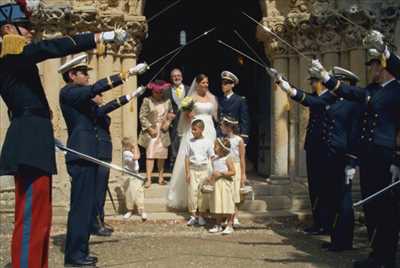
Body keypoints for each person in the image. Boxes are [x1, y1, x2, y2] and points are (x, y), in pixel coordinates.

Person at [0, 2, 128, 267]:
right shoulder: (11, 55)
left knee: (40, 215)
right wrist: (99, 36)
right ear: (8, 28)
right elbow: (53, 47)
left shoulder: (17, 59)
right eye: (25, 27)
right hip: (28, 139)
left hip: (34, 138)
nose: (29, 33)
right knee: (31, 215)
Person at [309, 32, 400, 267]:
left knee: (386, 208)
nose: (370, 69)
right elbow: (348, 92)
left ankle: (387, 257)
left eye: (373, 64)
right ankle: (377, 253)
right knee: (371, 205)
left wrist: (397, 160)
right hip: (369, 155)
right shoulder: (371, 90)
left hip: (385, 154)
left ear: (383, 66)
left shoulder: (397, 90)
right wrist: (326, 77)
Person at [59, 54, 147, 267]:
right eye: (84, 73)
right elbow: (94, 89)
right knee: (80, 206)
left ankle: (80, 250)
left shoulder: (82, 101)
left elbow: (103, 109)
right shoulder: (69, 92)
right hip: (81, 154)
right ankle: (74, 255)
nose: (88, 77)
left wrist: (130, 96)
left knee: (86, 206)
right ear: (72, 75)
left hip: (88, 155)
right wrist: (128, 73)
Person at [277, 67, 362, 252]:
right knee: (332, 198)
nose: (330, 85)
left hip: (343, 157)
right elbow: (310, 100)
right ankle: (335, 238)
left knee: (343, 201)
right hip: (329, 156)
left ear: (345, 84)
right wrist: (287, 88)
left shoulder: (352, 102)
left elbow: (355, 133)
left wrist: (352, 161)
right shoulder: (330, 99)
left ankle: (344, 241)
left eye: (334, 81)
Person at [91, 89, 143, 236]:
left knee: (101, 190)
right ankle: (95, 223)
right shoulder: (91, 110)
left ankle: (99, 220)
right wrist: (129, 95)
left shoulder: (97, 110)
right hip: (98, 153)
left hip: (104, 152)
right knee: (97, 191)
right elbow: (108, 107)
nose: (101, 96)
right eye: (99, 94)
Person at [168, 74, 219, 209]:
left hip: (209, 128)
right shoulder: (191, 98)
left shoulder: (212, 97)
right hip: (196, 128)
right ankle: (191, 199)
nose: (206, 85)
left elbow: (214, 115)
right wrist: (191, 117)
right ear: (197, 84)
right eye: (203, 82)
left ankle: (208, 199)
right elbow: (186, 115)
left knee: (210, 158)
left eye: (207, 82)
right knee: (193, 156)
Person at [138, 80, 175, 188]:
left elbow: (170, 114)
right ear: (153, 92)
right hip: (152, 132)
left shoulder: (167, 101)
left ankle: (161, 177)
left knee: (162, 156)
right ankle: (148, 179)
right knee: (150, 155)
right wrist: (149, 128)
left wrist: (168, 122)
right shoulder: (147, 100)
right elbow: (142, 116)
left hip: (163, 131)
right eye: (156, 92)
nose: (158, 94)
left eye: (160, 92)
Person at [185, 119, 215, 226]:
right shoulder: (190, 142)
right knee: (192, 192)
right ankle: (193, 215)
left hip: (204, 169)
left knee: (203, 194)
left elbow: (212, 157)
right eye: (192, 129)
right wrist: (187, 172)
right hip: (193, 169)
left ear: (201, 129)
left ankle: (202, 215)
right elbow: (187, 158)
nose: (193, 131)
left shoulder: (207, 142)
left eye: (195, 129)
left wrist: (212, 172)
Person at [219, 115, 246, 228]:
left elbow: (242, 157)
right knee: (227, 192)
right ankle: (228, 216)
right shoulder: (222, 140)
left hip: (236, 167)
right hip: (226, 166)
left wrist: (243, 174)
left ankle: (235, 217)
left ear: (229, 127)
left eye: (222, 125)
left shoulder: (239, 140)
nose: (220, 127)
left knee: (236, 192)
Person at [208, 138, 236, 235]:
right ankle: (218, 224)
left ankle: (229, 225)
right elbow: (213, 172)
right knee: (217, 204)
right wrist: (210, 181)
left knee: (227, 204)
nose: (214, 148)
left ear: (222, 148)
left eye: (216, 146)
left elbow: (233, 172)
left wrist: (221, 174)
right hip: (216, 184)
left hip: (225, 183)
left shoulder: (227, 159)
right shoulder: (214, 159)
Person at [164, 68, 190, 168]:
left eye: (178, 75)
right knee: (174, 145)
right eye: (174, 76)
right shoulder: (166, 91)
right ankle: (174, 167)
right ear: (171, 78)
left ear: (182, 77)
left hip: (187, 122)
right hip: (173, 123)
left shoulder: (189, 89)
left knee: (187, 145)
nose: (176, 78)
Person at [218, 71, 249, 143]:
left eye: (225, 83)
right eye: (222, 83)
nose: (223, 85)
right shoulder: (219, 99)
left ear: (232, 85)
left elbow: (244, 120)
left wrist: (243, 138)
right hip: (221, 134)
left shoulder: (240, 100)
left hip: (234, 134)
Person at [122, 137, 147, 221]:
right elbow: (136, 157)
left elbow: (138, 156)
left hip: (136, 175)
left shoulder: (132, 151)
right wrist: (135, 148)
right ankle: (130, 210)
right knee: (130, 194)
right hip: (130, 176)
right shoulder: (126, 153)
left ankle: (142, 210)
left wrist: (136, 148)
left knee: (139, 192)